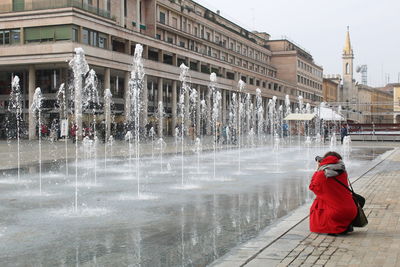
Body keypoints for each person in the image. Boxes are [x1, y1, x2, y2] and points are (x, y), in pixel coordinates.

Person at [309, 151, 357, 235]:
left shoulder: (321, 174)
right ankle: (344, 225)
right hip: (352, 211)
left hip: (337, 213)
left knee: (318, 203)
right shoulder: (343, 172)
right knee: (329, 197)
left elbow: (312, 187)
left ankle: (335, 228)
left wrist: (317, 169)